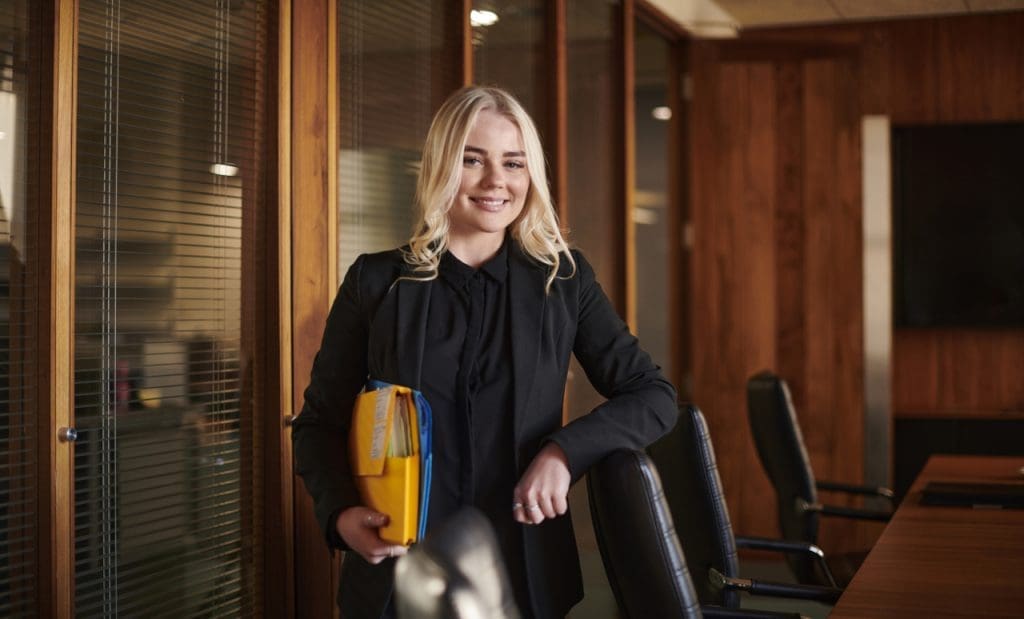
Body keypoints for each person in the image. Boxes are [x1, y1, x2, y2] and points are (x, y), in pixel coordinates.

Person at [292, 85, 677, 618]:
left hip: (526, 574)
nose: (497, 181)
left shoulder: (565, 280)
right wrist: (340, 516)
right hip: (399, 576)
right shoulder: (375, 281)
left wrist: (564, 452)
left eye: (514, 163)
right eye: (473, 160)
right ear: (441, 169)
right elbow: (318, 424)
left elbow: (653, 395)